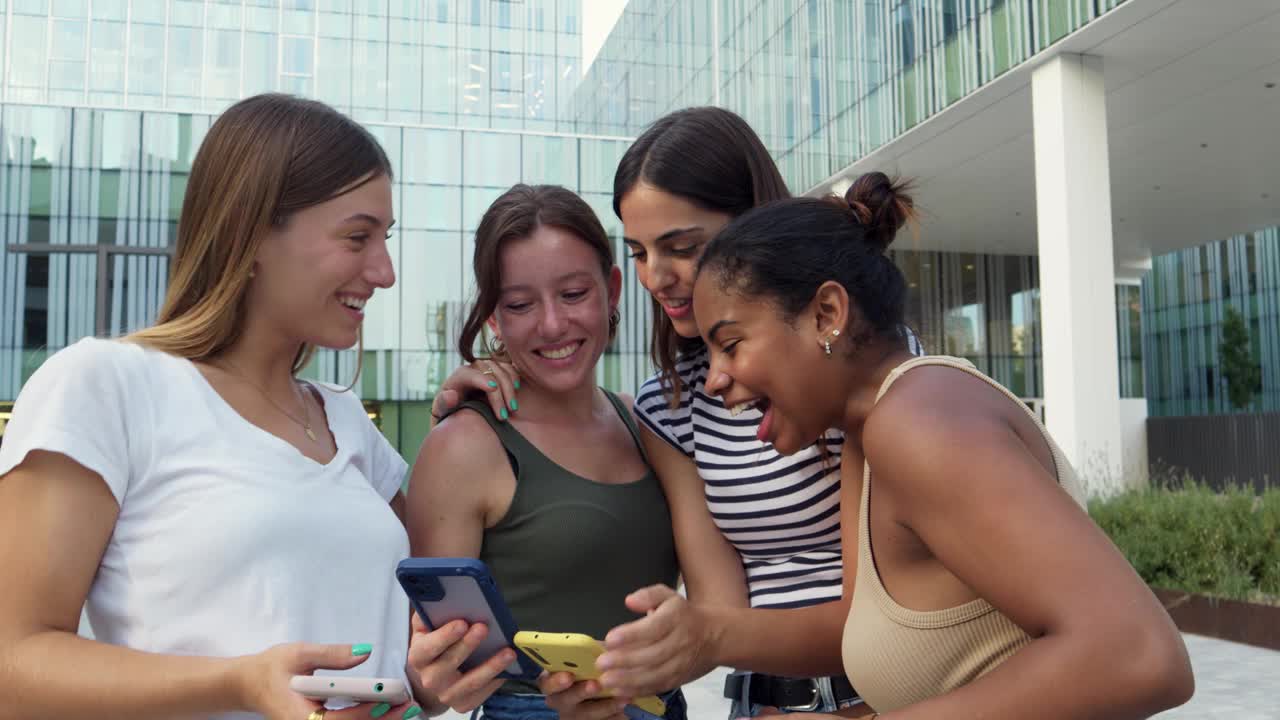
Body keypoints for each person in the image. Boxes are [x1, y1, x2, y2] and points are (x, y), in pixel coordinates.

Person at [434, 108, 919, 719]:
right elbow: (720, 611)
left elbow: (886, 600)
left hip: (892, 696)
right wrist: (623, 674)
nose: (657, 278)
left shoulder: (857, 360)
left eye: (683, 248)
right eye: (639, 252)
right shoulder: (670, 407)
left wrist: (701, 638)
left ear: (754, 225)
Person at [671, 172, 1195, 718]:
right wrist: (705, 636)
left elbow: (1136, 654)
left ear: (827, 314)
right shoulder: (869, 437)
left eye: (730, 345)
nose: (714, 378)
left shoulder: (919, 422)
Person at [0, 94, 425, 719]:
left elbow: (403, 644)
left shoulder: (352, 427)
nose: (384, 272)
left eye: (384, 240)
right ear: (252, 231)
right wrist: (239, 682)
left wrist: (428, 681)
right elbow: (14, 665)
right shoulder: (105, 386)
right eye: (357, 237)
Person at [401, 184, 684, 720]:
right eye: (520, 304)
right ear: (492, 317)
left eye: (574, 294)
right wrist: (433, 681)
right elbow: (430, 677)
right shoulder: (463, 446)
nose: (552, 324)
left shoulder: (642, 421)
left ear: (613, 289)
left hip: (664, 706)